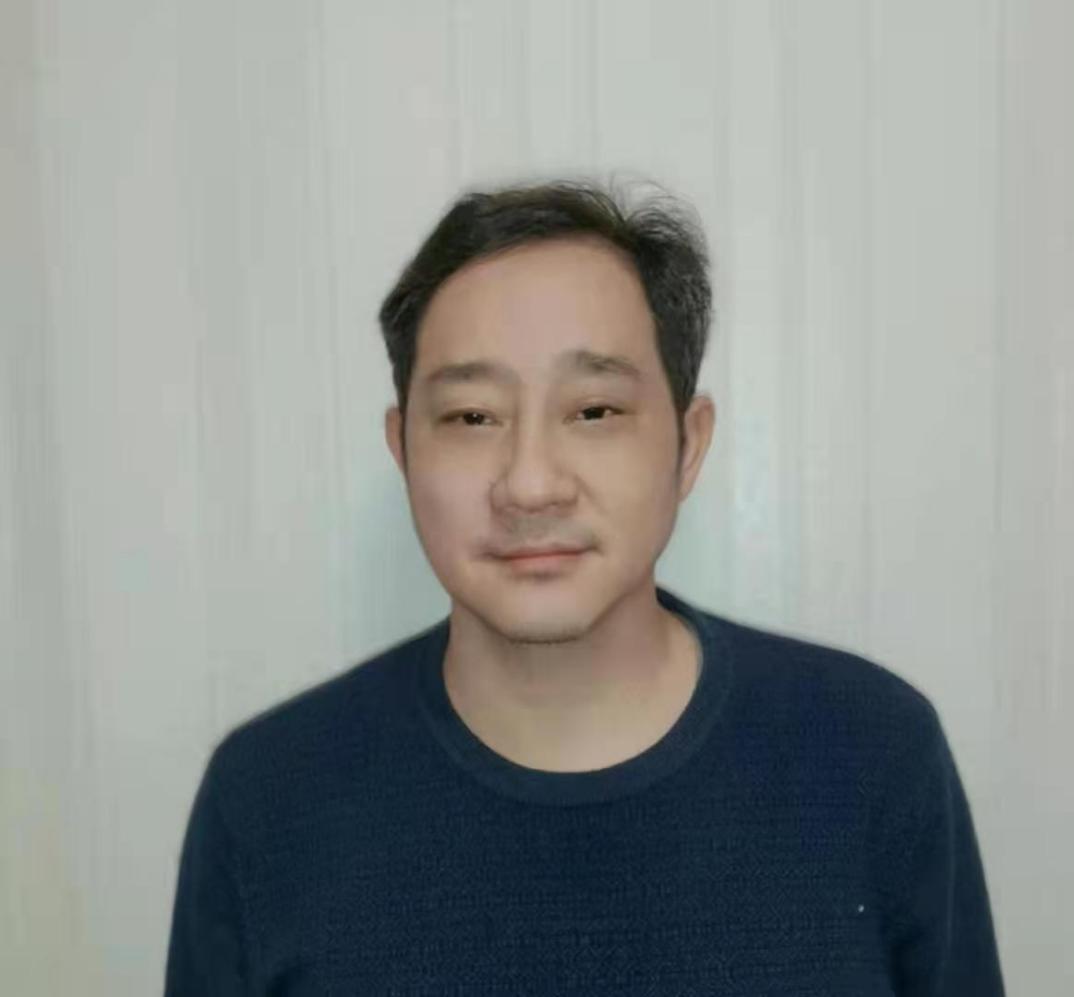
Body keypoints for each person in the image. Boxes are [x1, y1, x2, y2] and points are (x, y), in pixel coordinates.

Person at [164, 179, 1006, 994]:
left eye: (594, 411)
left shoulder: (871, 755)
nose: (530, 484)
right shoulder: (268, 799)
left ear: (689, 444)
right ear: (403, 448)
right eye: (472, 416)